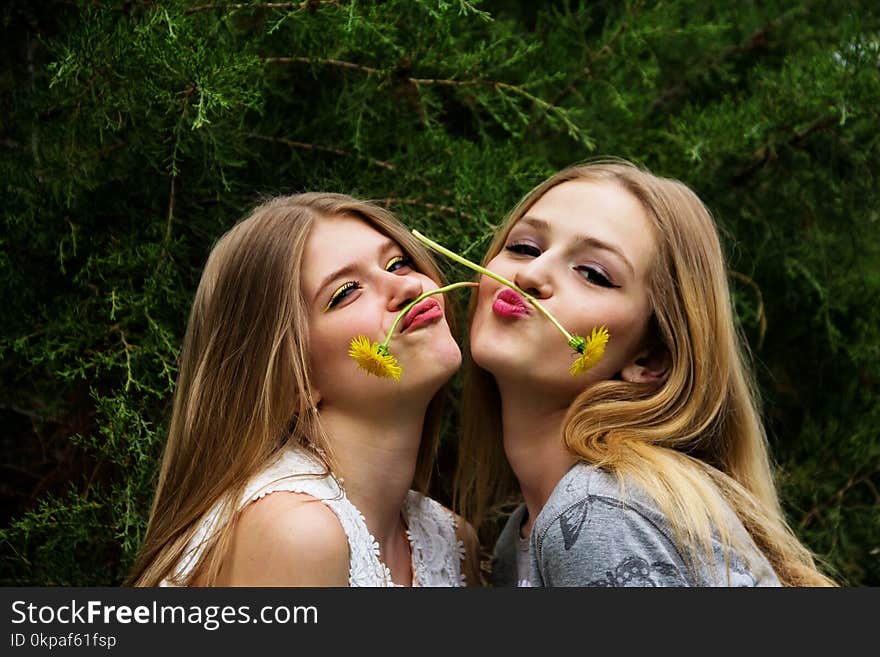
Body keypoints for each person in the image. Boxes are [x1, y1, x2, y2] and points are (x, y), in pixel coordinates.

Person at [454, 159, 835, 586]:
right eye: (524, 247)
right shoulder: (521, 539)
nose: (531, 274)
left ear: (650, 360)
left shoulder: (598, 512)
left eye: (593, 274)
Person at [129, 193, 477, 587]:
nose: (406, 286)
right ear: (293, 382)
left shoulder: (451, 541)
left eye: (397, 263)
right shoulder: (294, 531)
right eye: (345, 292)